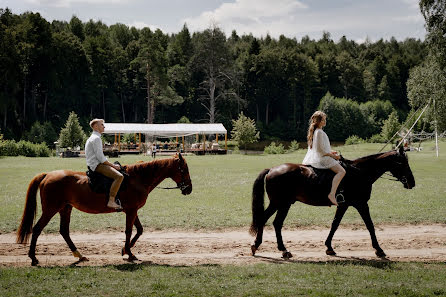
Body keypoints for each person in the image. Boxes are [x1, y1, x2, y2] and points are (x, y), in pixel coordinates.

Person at [302, 111, 345, 206]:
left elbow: (322, 148)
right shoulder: (319, 132)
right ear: (319, 121)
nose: (325, 121)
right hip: (322, 159)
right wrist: (333, 156)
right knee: (342, 171)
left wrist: (331, 151)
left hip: (323, 156)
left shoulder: (317, 131)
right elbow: (319, 150)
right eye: (324, 119)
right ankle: (332, 194)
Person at [85, 119, 123, 210]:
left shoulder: (93, 137)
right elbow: (101, 158)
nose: (104, 126)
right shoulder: (96, 138)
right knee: (119, 177)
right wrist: (113, 166)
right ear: (96, 126)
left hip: (94, 164)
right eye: (102, 124)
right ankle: (111, 201)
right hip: (97, 166)